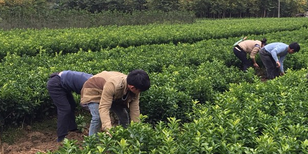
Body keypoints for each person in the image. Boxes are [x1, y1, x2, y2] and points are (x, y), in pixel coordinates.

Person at [80, 69, 151, 136]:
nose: (139, 93)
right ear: (132, 87)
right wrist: (108, 130)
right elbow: (104, 107)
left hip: (113, 95)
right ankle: (92, 143)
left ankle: (123, 137)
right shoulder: (113, 85)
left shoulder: (136, 87)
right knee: (97, 117)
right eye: (140, 91)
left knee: (124, 115)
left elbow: (135, 110)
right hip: (93, 91)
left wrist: (137, 130)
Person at [47, 70, 93, 142]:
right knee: (64, 109)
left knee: (72, 105)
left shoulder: (94, 80)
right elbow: (83, 103)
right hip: (55, 84)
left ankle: (72, 128)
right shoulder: (91, 86)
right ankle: (61, 137)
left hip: (63, 83)